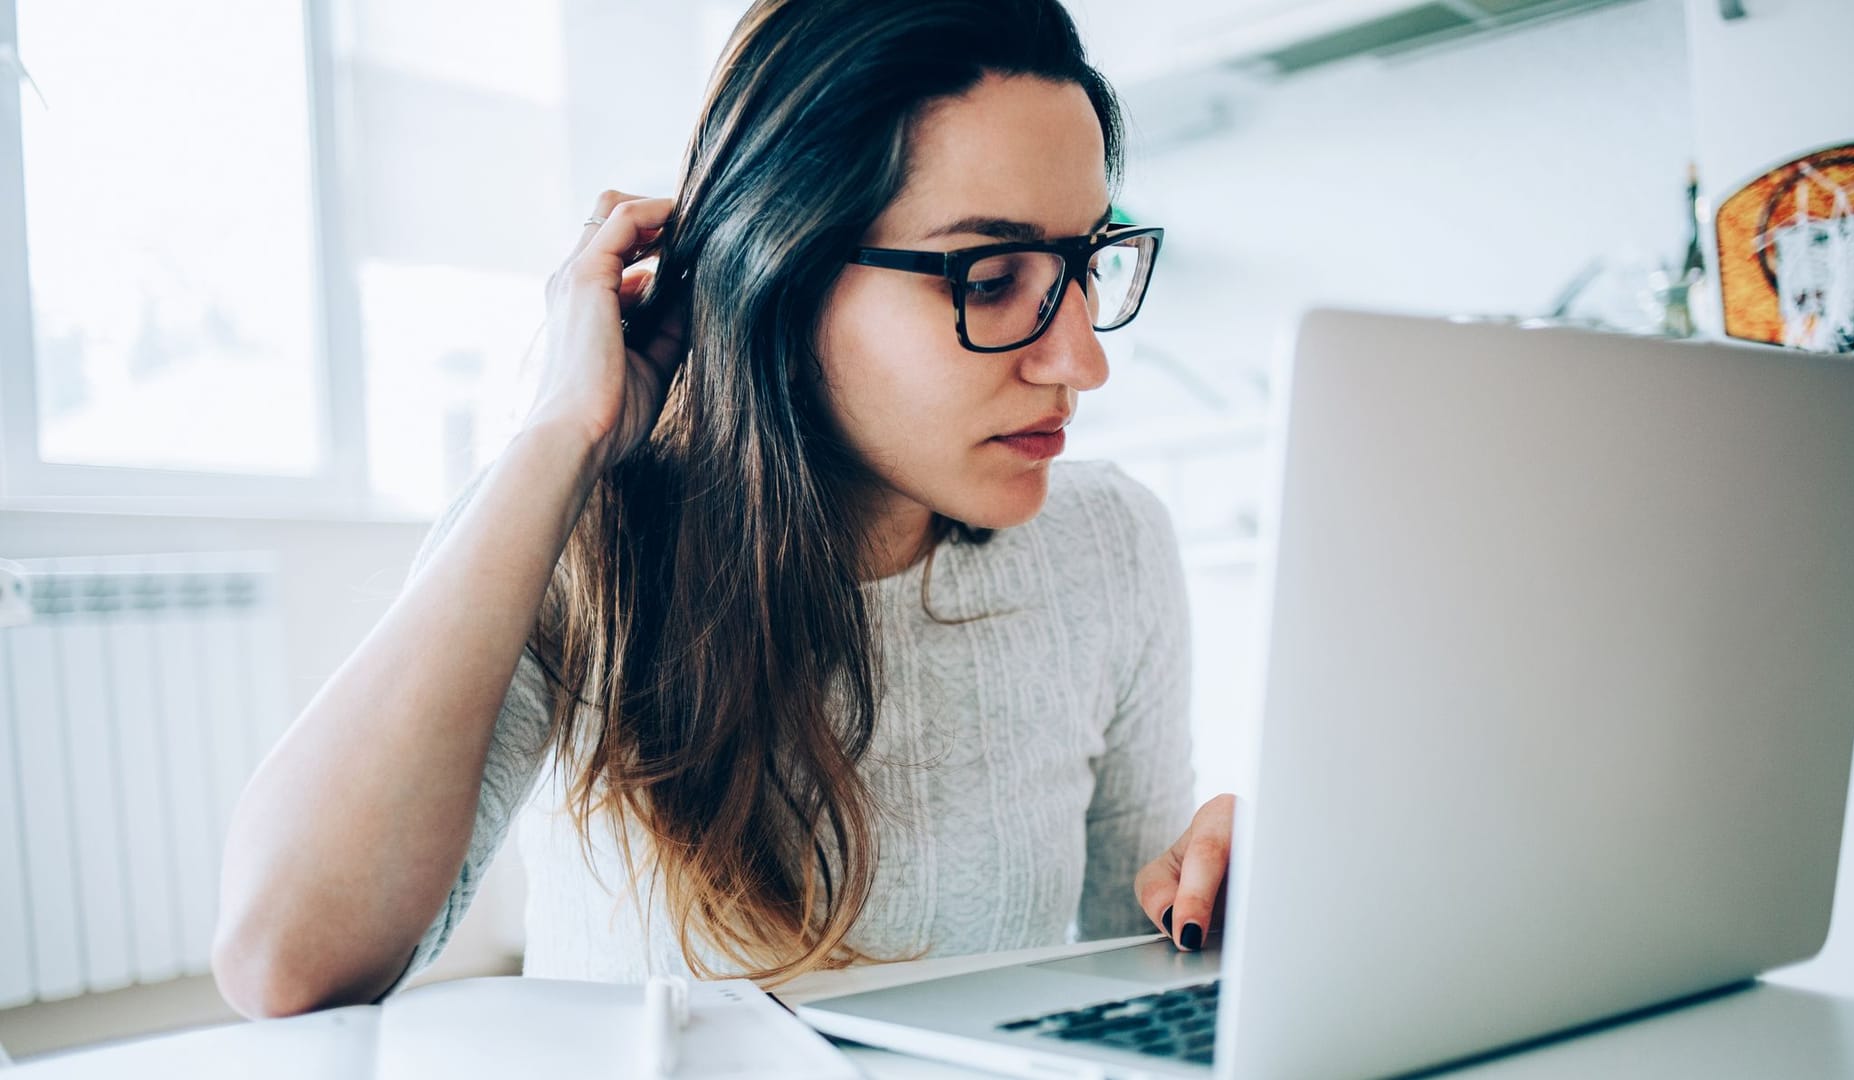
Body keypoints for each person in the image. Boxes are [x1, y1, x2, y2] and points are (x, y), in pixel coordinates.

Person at [211, 0, 1236, 1018]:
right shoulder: (574, 532)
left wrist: (1232, 899)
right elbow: (287, 964)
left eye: (1085, 264)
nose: (1084, 362)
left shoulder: (1108, 544)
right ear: (781, 272)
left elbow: (1135, 963)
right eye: (993, 277)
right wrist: (560, 438)